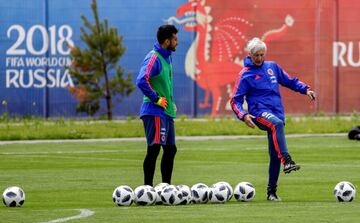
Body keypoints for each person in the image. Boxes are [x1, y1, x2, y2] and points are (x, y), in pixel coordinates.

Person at [230, 37, 316, 201]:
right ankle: (287, 160)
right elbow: (235, 100)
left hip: (278, 113)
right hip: (259, 113)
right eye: (256, 55)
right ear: (250, 54)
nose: (260, 58)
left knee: (274, 152)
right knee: (276, 125)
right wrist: (244, 115)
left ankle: (271, 192)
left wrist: (305, 90)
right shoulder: (245, 75)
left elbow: (289, 81)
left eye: (262, 55)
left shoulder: (272, 67)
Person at [136, 25, 179, 187]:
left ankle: (165, 189)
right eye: (175, 39)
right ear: (167, 41)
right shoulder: (153, 58)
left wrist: (170, 101)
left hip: (166, 112)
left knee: (170, 150)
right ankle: (147, 189)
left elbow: (164, 83)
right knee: (154, 149)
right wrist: (156, 99)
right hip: (154, 111)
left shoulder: (167, 57)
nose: (177, 42)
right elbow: (141, 80)